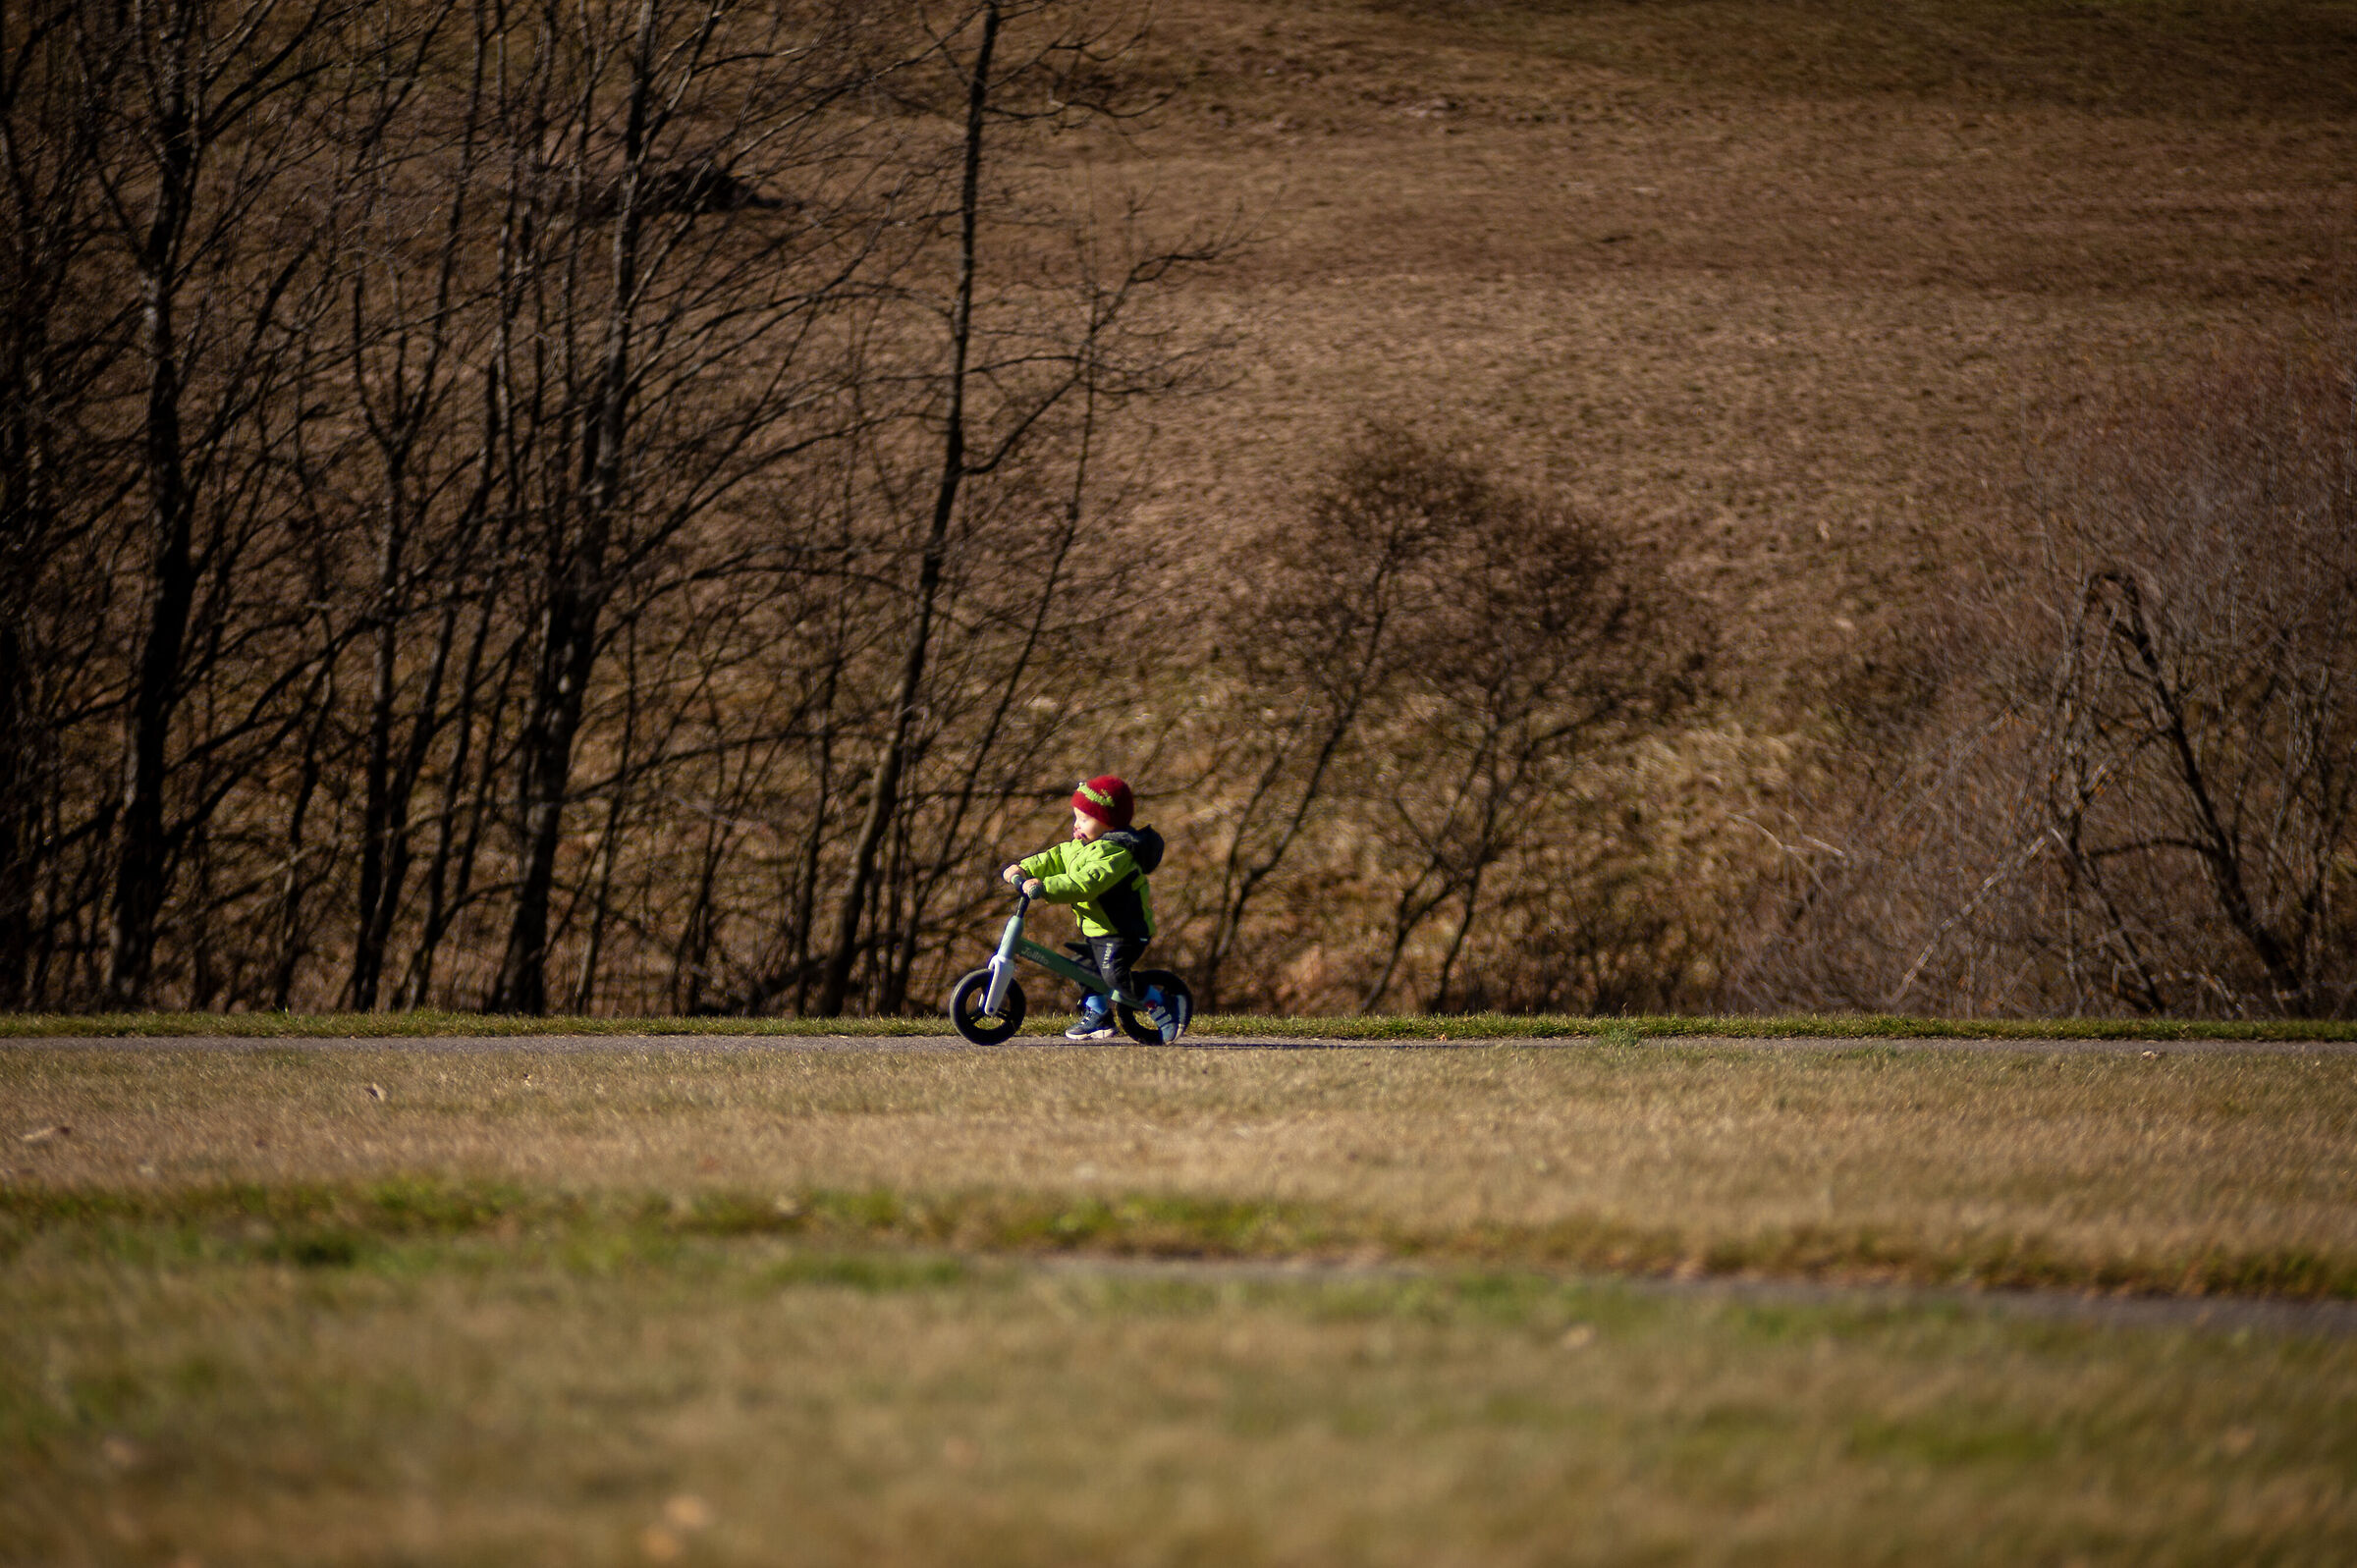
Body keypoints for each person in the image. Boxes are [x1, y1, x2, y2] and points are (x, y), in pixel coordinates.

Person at [1003, 776, 1164, 1040]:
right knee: (1083, 969)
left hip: (1125, 932)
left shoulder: (1115, 854)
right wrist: (1023, 868)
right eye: (1076, 817)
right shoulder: (1082, 846)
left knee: (1114, 976)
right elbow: (1054, 857)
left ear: (1108, 822)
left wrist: (1044, 886)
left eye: (1085, 819)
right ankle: (1099, 1017)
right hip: (1100, 930)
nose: (1077, 824)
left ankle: (1160, 1004)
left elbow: (1084, 884)